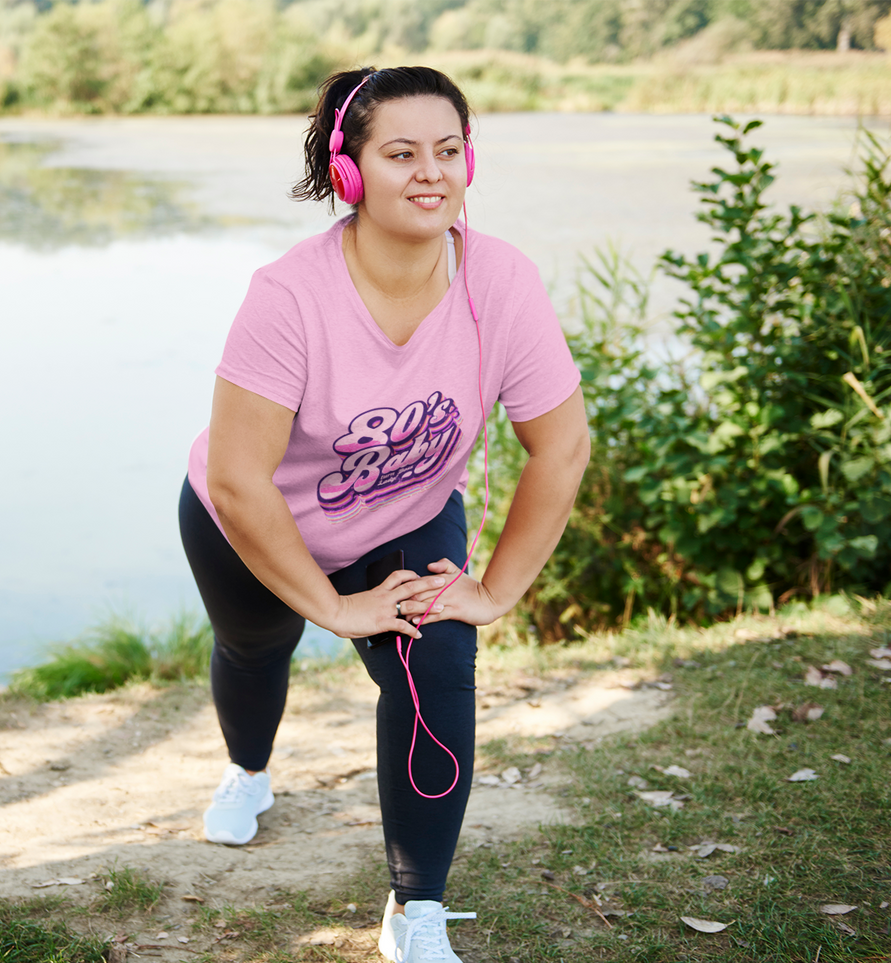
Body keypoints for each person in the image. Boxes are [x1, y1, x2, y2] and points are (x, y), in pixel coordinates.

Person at [178, 65, 589, 963]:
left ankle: (416, 908)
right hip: (248, 520)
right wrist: (330, 608)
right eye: (400, 153)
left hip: (403, 515)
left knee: (437, 659)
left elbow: (560, 448)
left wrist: (495, 589)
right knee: (255, 647)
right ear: (349, 172)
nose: (429, 172)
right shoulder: (287, 296)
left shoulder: (503, 283)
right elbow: (243, 479)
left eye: (447, 150)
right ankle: (248, 772)